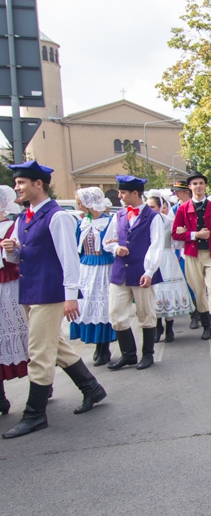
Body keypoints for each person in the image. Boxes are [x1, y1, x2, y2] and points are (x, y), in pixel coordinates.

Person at [1, 161, 107, 439]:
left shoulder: (57, 216)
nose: (16, 187)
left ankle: (34, 414)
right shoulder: (24, 218)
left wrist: (70, 297)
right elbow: (22, 257)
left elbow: (69, 260)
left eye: (21, 183)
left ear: (38, 184)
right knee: (55, 345)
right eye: (16, 183)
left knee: (39, 352)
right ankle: (92, 388)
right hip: (30, 291)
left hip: (48, 293)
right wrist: (12, 250)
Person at [103, 176, 165, 371]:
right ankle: (128, 354)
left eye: (122, 192)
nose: (119, 196)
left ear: (135, 193)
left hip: (141, 271)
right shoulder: (119, 215)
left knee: (145, 313)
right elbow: (107, 241)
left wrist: (149, 271)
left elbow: (156, 245)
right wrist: (116, 249)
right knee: (116, 313)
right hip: (120, 272)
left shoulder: (153, 217)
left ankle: (147, 354)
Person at [172, 170, 211, 343]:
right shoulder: (183, 209)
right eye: (195, 184)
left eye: (201, 183)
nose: (198, 186)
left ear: (205, 186)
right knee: (198, 291)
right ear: (189, 187)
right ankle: (206, 326)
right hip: (192, 255)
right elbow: (175, 233)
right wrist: (195, 234)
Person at [69, 187, 117, 366]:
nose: (79, 206)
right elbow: (76, 248)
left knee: (103, 307)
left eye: (80, 203)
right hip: (86, 269)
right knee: (87, 305)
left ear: (89, 203)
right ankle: (98, 344)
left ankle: (104, 347)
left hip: (105, 269)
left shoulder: (109, 222)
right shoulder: (81, 223)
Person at [146, 191, 194, 343]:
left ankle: (169, 328)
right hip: (150, 259)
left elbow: (177, 243)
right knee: (154, 293)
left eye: (152, 206)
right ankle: (157, 327)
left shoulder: (168, 221)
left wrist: (181, 233)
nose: (150, 210)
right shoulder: (144, 222)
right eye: (148, 207)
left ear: (160, 207)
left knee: (167, 292)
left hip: (166, 258)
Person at [0, 185, 28, 417]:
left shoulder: (13, 225)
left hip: (10, 287)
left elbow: (19, 256)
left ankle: (42, 384)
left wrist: (12, 249)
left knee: (25, 335)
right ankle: (0, 397)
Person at [171, 180, 201, 330]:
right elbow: (174, 232)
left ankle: (204, 311)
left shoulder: (197, 206)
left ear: (186, 192)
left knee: (199, 284)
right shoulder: (174, 209)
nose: (176, 194)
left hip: (198, 249)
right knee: (188, 283)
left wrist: (187, 232)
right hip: (180, 252)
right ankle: (194, 313)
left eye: (178, 191)